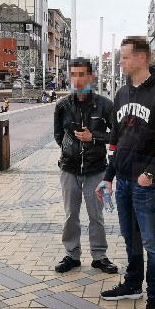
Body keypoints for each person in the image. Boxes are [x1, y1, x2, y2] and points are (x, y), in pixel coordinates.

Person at [96, 37, 155, 309]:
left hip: (146, 183)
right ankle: (133, 284)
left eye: (124, 57)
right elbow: (115, 139)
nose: (120, 62)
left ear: (141, 58)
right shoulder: (121, 94)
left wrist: (150, 174)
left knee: (151, 242)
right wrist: (108, 177)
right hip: (122, 182)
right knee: (129, 237)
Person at [53, 57, 117, 276]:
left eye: (82, 75)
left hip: (96, 169)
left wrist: (94, 138)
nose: (78, 80)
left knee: (96, 215)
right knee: (71, 215)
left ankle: (99, 256)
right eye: (74, 75)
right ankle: (72, 255)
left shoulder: (105, 104)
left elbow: (116, 135)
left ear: (91, 77)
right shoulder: (62, 106)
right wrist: (69, 148)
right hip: (69, 169)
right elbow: (58, 135)